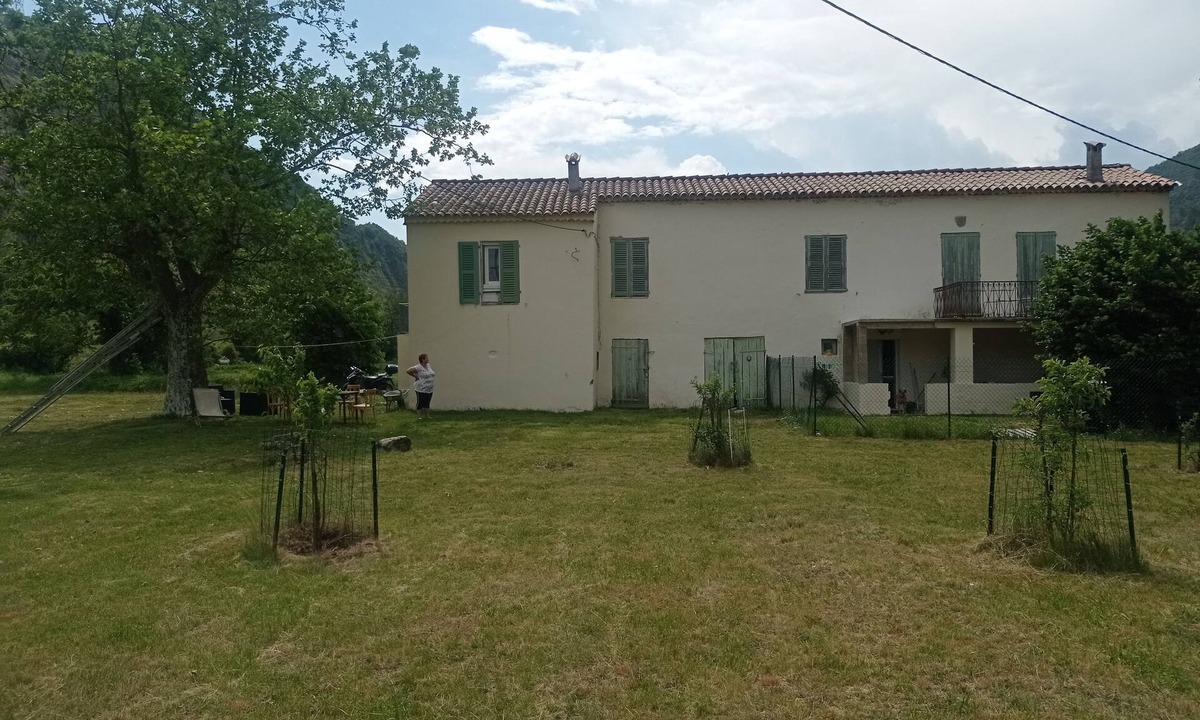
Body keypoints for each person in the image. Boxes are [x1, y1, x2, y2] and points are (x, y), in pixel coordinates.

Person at [406, 353, 435, 419]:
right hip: (421, 388)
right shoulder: (418, 367)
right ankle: (418, 416)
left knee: (427, 402)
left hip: (429, 388)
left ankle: (427, 415)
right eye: (426, 358)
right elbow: (408, 371)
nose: (428, 359)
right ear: (422, 359)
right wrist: (415, 376)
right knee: (420, 402)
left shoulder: (428, 366)